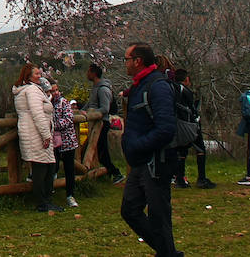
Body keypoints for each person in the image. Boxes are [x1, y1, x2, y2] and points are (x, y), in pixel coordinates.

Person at [119, 41, 178, 257]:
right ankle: (167, 252)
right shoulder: (139, 85)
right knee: (130, 210)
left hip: (155, 162)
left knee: (159, 216)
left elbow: (166, 129)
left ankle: (167, 253)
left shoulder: (157, 86)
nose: (125, 63)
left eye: (127, 59)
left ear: (138, 61)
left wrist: (137, 145)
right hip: (141, 161)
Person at [14, 63, 57, 212]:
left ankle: (45, 201)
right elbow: (37, 113)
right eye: (36, 74)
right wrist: (46, 135)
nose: (40, 76)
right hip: (36, 134)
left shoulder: (27, 89)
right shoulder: (32, 90)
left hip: (32, 132)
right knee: (42, 168)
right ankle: (43, 202)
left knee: (45, 167)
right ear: (29, 76)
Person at [171, 69, 215, 189]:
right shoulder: (185, 91)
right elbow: (191, 108)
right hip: (189, 124)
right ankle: (201, 178)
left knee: (181, 151)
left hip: (177, 124)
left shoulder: (172, 90)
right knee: (200, 149)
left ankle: (180, 179)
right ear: (186, 79)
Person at [88, 62, 124, 183]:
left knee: (102, 152)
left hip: (102, 123)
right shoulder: (95, 87)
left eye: (89, 71)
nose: (87, 74)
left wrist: (92, 113)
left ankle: (115, 172)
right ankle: (109, 173)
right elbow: (91, 103)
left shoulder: (103, 89)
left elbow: (105, 108)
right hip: (95, 123)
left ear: (94, 73)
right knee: (99, 150)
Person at [49, 81, 80, 208]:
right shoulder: (47, 104)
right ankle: (50, 191)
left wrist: (53, 126)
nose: (55, 93)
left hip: (67, 140)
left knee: (69, 168)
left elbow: (68, 119)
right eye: (52, 91)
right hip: (53, 142)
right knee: (53, 166)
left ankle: (70, 195)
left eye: (56, 90)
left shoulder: (64, 102)